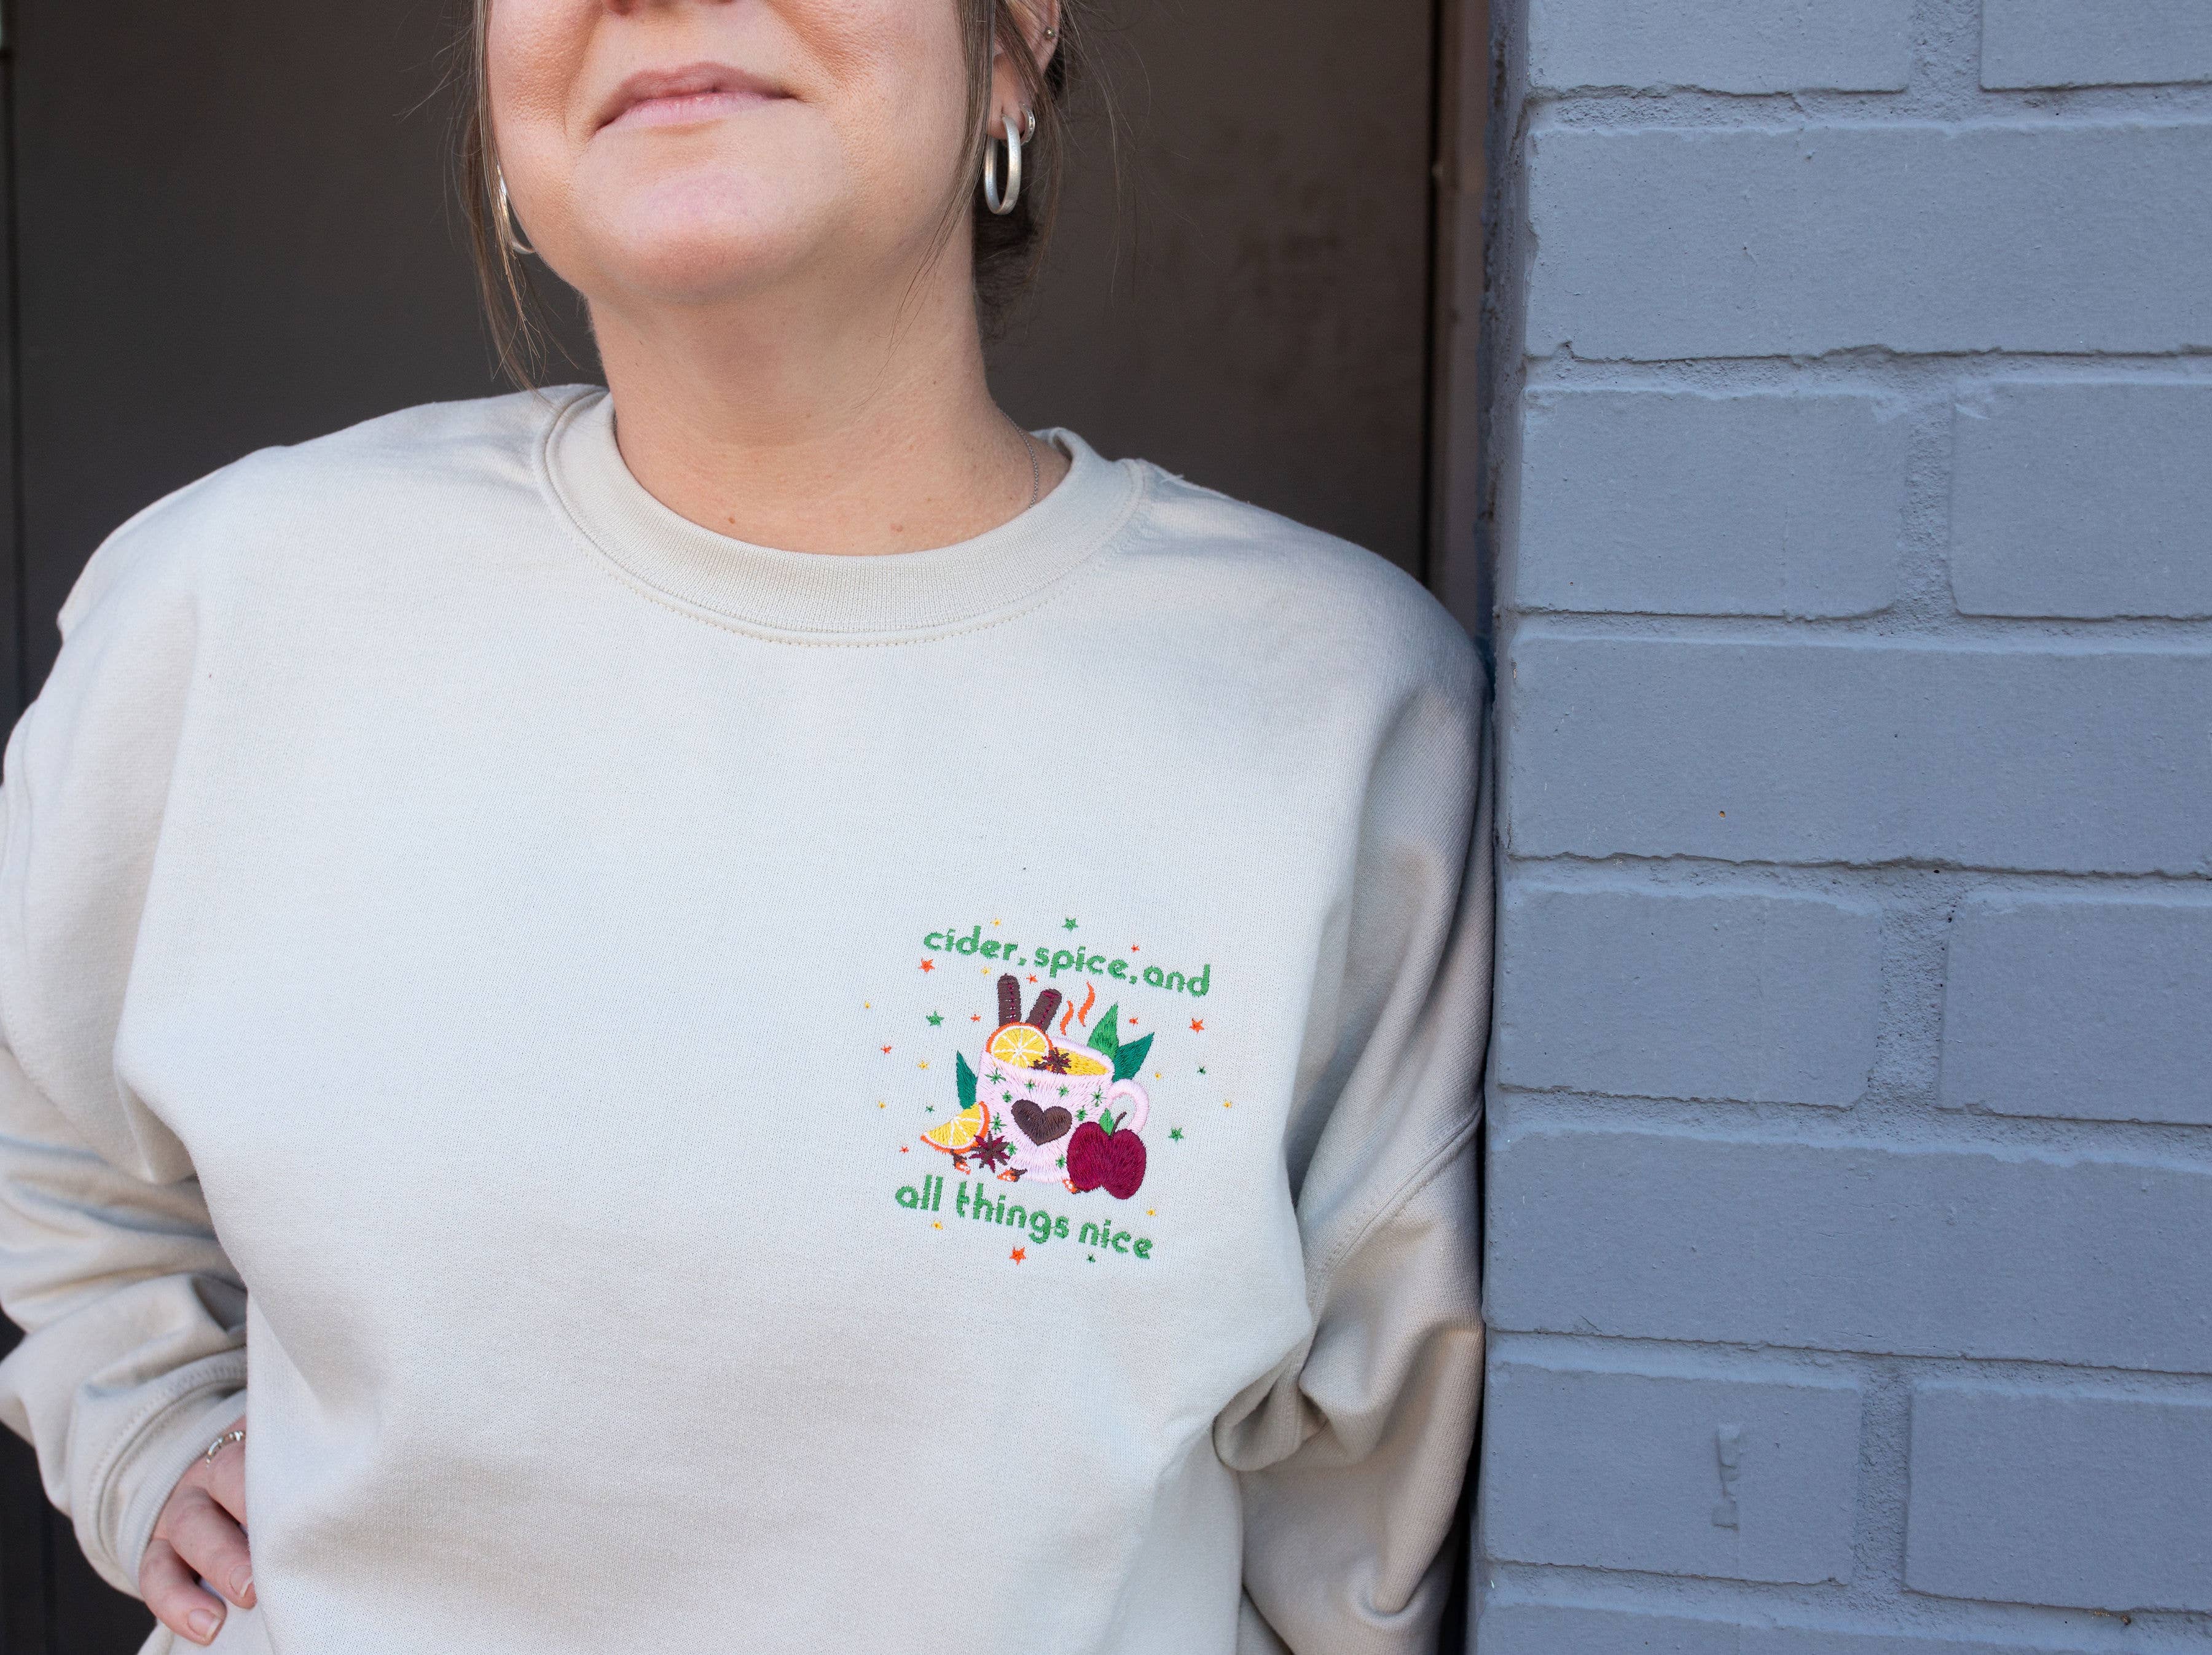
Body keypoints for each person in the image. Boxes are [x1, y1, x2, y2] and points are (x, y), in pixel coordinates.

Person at [0, 1, 1492, 1650]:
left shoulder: (1334, 717)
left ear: (1015, 37)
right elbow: (45, 1139)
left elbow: (1365, 1529)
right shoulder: (235, 606)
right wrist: (135, 1415)